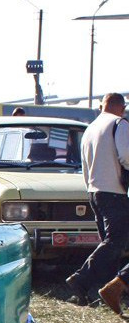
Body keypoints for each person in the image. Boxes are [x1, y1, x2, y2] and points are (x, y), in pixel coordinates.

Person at [67, 92, 129, 305]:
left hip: (95, 191)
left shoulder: (90, 129)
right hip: (115, 192)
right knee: (115, 242)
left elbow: (85, 165)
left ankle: (107, 290)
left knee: (109, 245)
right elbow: (127, 156)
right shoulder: (119, 124)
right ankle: (82, 279)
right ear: (121, 107)